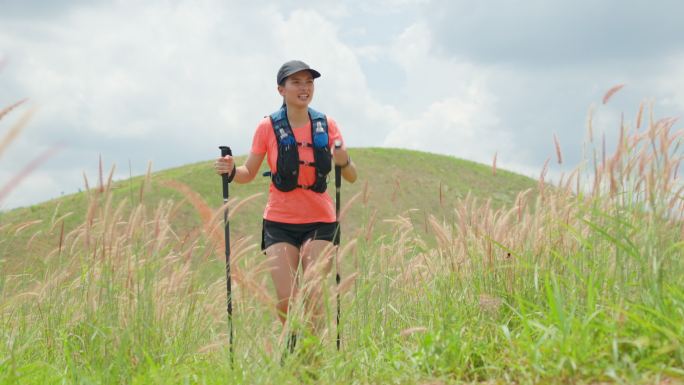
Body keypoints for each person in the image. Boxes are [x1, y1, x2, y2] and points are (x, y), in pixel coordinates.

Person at [214, 60, 357, 342]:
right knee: (286, 300)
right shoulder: (267, 127)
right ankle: (294, 350)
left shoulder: (327, 125)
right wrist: (230, 170)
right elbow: (247, 173)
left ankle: (311, 360)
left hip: (321, 221)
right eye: (297, 82)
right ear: (281, 89)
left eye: (309, 82)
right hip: (279, 223)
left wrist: (344, 160)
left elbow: (350, 175)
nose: (304, 88)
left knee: (315, 294)